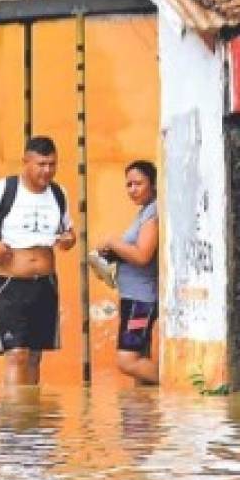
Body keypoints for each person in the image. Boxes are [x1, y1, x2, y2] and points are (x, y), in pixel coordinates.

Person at [0, 135, 77, 385]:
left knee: (34, 356)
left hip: (45, 284)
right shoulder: (3, 189)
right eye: (41, 164)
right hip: (10, 284)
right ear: (26, 162)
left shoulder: (58, 193)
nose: (47, 170)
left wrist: (68, 240)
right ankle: (13, 420)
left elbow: (70, 233)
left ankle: (30, 419)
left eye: (52, 164)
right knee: (17, 354)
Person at [96, 160, 159, 385]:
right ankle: (148, 416)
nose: (132, 190)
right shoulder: (144, 212)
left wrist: (113, 242)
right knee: (140, 362)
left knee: (127, 361)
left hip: (141, 300)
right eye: (129, 185)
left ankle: (180, 389)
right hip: (132, 297)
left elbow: (143, 255)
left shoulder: (153, 212)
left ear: (153, 184)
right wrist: (111, 254)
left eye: (138, 184)